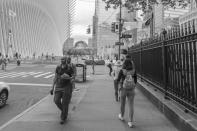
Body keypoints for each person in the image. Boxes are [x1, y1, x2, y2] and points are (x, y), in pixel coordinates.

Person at [50, 56, 74, 124]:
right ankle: (65, 112)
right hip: (58, 86)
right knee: (56, 100)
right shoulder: (58, 67)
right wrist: (52, 87)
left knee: (65, 103)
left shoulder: (70, 68)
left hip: (67, 87)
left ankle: (63, 118)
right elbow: (55, 77)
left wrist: (69, 78)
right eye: (61, 59)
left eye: (63, 59)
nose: (62, 60)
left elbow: (73, 76)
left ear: (66, 60)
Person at [117, 59, 137, 128]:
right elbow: (136, 81)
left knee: (122, 104)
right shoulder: (134, 71)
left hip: (123, 89)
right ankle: (130, 122)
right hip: (131, 90)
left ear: (124, 64)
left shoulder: (122, 71)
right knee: (131, 105)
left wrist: (119, 86)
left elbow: (118, 79)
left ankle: (122, 116)